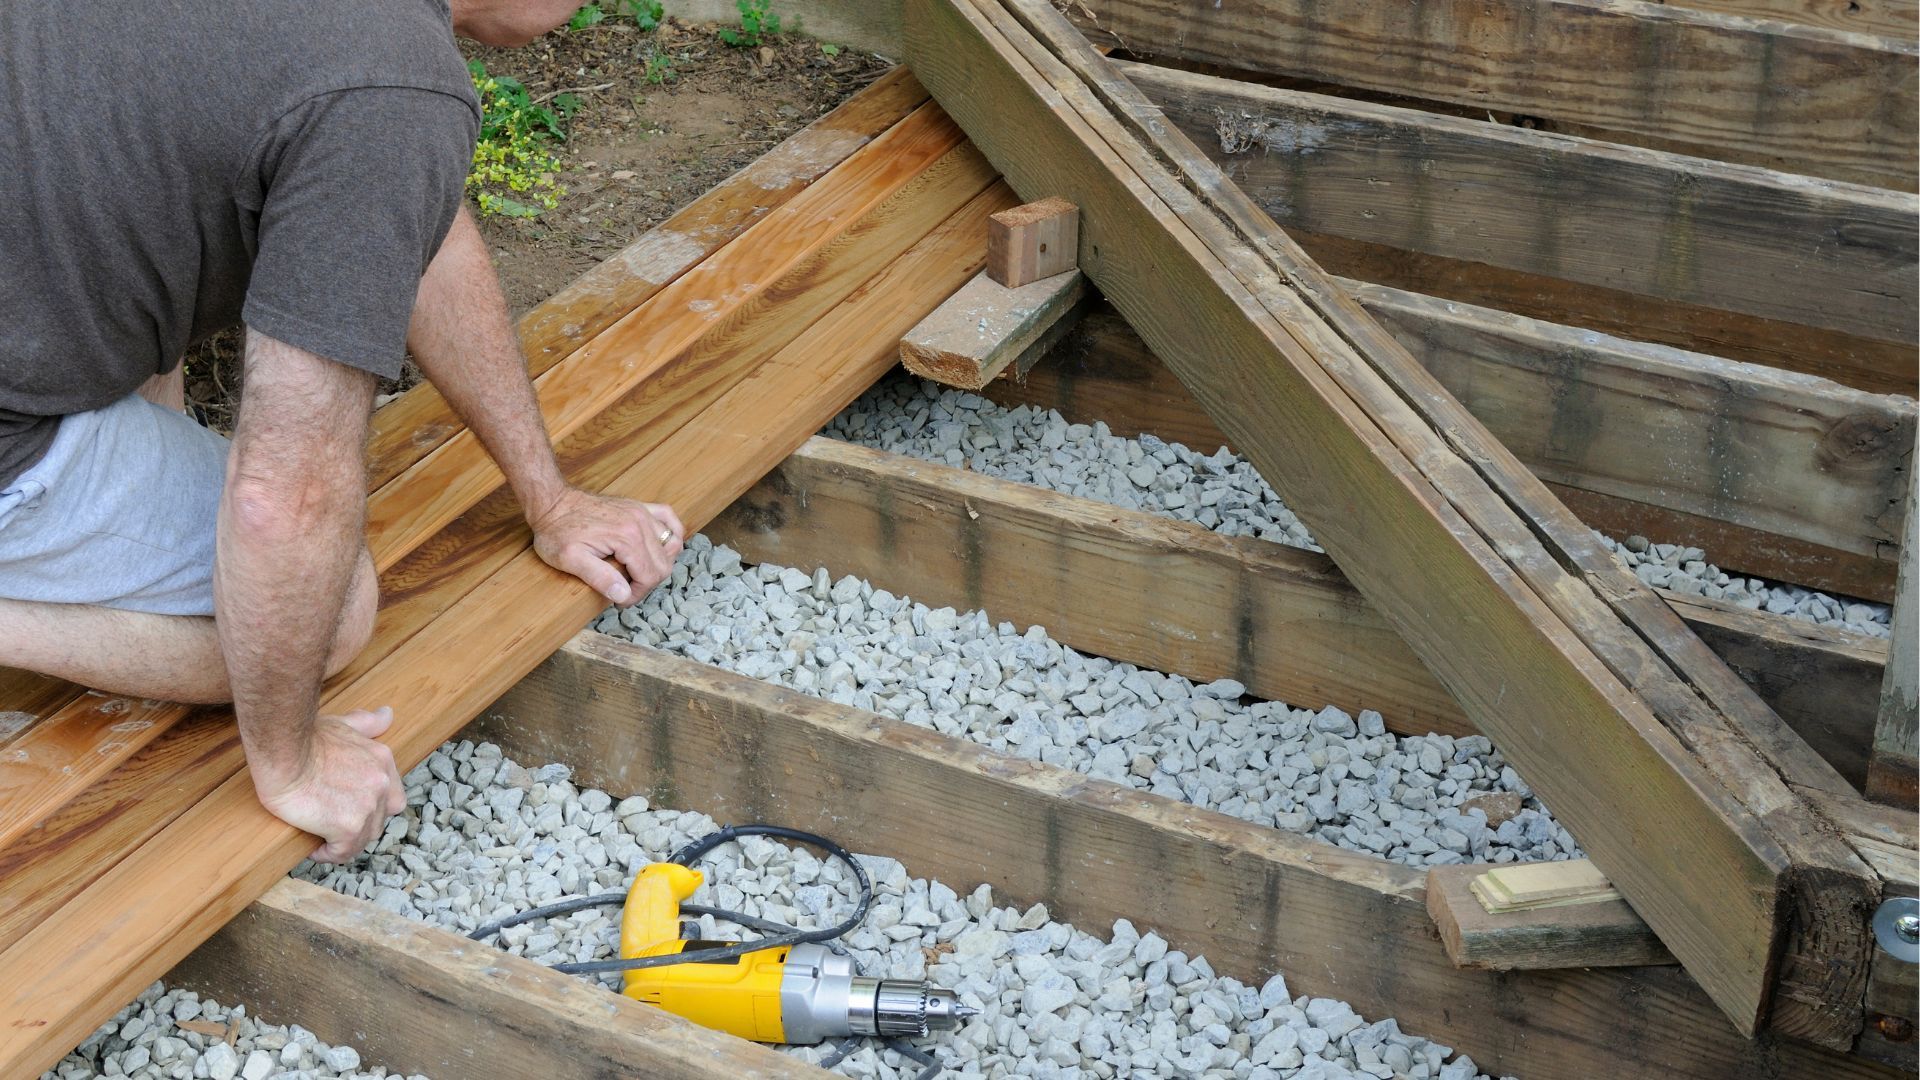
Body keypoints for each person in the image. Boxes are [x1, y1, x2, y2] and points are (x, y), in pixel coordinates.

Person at [0, 0, 682, 863]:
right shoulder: (391, 84)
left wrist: (548, 497)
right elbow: (282, 498)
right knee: (326, 614)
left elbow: (420, 235)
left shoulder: (367, 70)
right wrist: (289, 763)